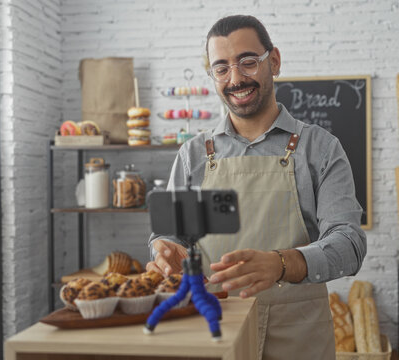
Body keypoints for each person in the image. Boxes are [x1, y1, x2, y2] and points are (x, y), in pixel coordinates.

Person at [147, 15, 367, 360]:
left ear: (274, 61)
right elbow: (171, 237)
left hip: (299, 338)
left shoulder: (321, 149)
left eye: (247, 62)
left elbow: (350, 245)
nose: (235, 79)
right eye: (221, 68)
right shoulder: (193, 154)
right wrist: (164, 250)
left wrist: (283, 263)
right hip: (211, 334)